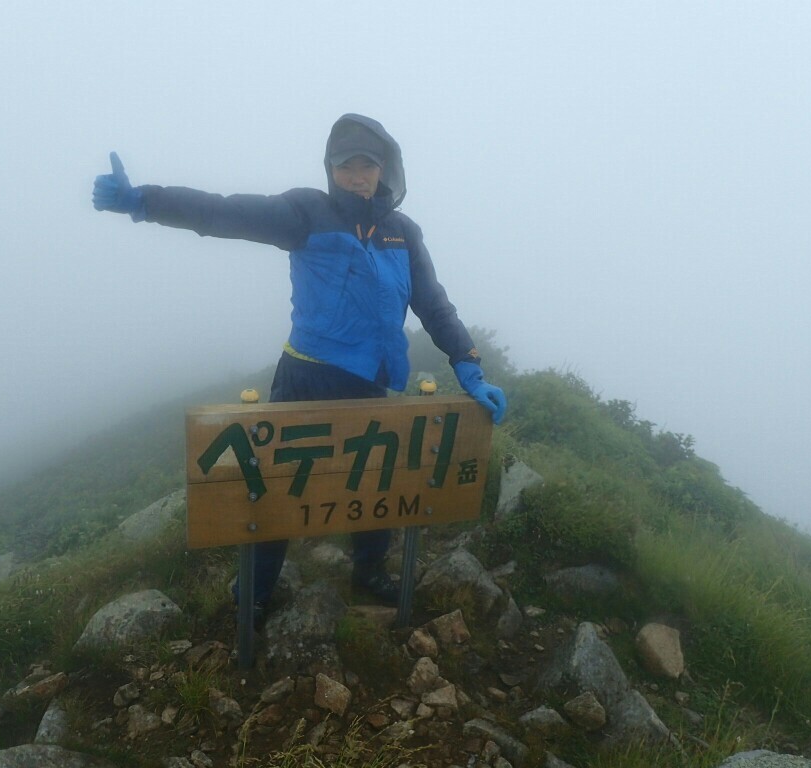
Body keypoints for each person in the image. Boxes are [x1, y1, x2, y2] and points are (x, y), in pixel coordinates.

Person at [93, 113, 507, 620]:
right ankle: (257, 592)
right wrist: (143, 201)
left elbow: (433, 304)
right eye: (346, 165)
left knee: (375, 481)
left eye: (367, 166)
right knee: (278, 489)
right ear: (330, 170)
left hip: (372, 384)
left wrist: (469, 365)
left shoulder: (403, 233)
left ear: (383, 171)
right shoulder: (307, 212)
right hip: (306, 377)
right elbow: (224, 213)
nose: (357, 175)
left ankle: (369, 572)